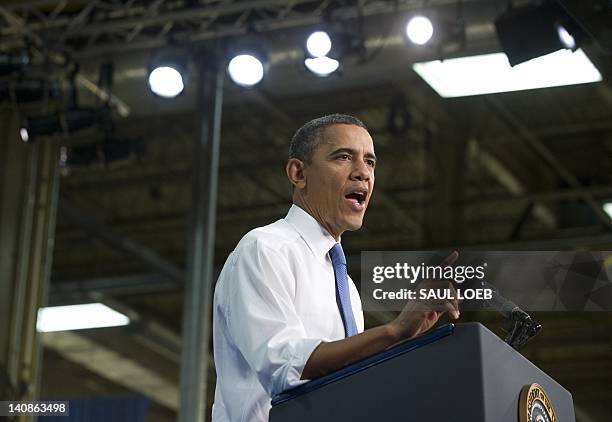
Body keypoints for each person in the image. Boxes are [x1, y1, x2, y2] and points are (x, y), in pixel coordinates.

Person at [211, 114, 460, 422]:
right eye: (344, 157)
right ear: (298, 173)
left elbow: (348, 383)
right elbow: (285, 367)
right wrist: (392, 331)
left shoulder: (345, 287)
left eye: (370, 162)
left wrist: (405, 340)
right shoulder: (265, 249)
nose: (362, 173)